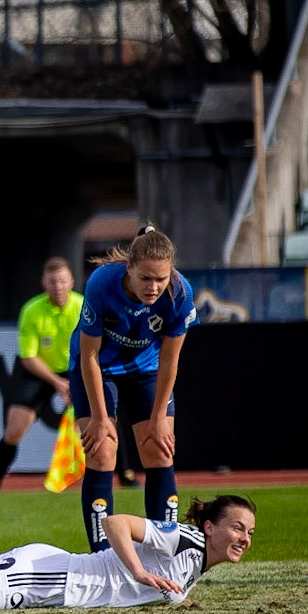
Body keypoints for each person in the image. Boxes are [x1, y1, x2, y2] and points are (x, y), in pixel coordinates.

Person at [68, 225, 196, 552]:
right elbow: (90, 356)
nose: (153, 287)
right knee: (102, 450)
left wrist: (157, 419)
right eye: (145, 279)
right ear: (129, 268)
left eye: (161, 279)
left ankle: (163, 549)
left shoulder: (180, 294)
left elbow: (170, 361)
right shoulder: (101, 284)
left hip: (147, 369)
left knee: (159, 447)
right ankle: (103, 556)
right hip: (99, 368)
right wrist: (99, 418)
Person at [0, 495, 255, 611]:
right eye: (237, 527)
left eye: (250, 532)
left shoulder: (198, 560)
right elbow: (116, 522)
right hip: (49, 579)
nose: (244, 538)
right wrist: (138, 571)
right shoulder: (186, 539)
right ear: (210, 527)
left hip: (48, 570)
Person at [0, 258, 82, 492]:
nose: (58, 286)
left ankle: (124, 476)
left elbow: (92, 349)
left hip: (78, 370)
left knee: (103, 423)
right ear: (43, 283)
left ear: (71, 282)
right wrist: (58, 383)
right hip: (41, 372)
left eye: (62, 281)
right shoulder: (32, 310)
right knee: (14, 429)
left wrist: (74, 381)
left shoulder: (83, 306)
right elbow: (28, 357)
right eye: (53, 281)